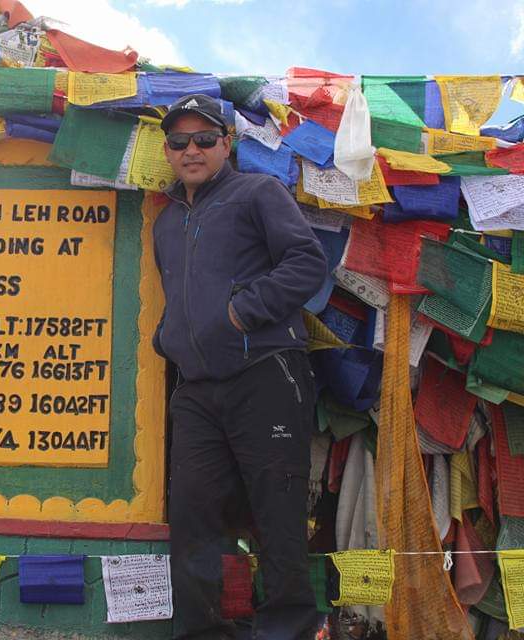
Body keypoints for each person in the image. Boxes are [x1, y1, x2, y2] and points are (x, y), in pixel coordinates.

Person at [153, 94, 327, 640]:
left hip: (265, 374)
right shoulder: (165, 221)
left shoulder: (258, 192)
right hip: (197, 390)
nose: (192, 150)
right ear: (168, 151)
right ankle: (200, 633)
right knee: (191, 515)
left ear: (227, 143)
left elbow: (307, 263)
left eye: (205, 138)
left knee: (276, 512)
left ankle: (286, 631)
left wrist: (240, 313)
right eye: (180, 141)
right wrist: (169, 339)